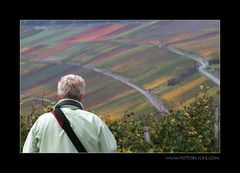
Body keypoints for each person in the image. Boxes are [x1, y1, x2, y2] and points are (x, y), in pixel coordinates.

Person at [23, 74, 117, 153]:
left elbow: (28, 151)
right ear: (81, 96)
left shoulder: (42, 122)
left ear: (59, 95)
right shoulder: (95, 121)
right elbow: (110, 150)